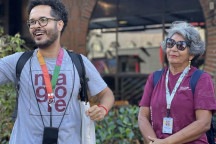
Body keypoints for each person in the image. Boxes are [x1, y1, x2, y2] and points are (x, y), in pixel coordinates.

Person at [0, 0, 115, 143]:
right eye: (32, 22)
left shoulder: (79, 63)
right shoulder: (18, 62)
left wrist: (102, 109)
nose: (36, 26)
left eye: (43, 20)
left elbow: (106, 94)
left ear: (59, 24)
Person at [138, 21, 216, 144]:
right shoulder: (155, 77)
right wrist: (153, 142)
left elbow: (204, 123)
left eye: (181, 45)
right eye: (170, 44)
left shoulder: (201, 79)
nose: (173, 49)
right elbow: (142, 116)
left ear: (191, 54)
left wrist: (167, 142)